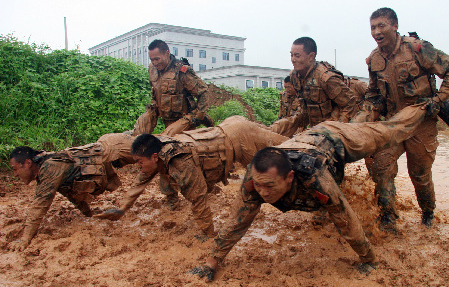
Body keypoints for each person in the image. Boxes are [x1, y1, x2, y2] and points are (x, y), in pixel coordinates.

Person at [190, 102, 433, 281]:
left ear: (290, 178)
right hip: (305, 139)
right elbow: (237, 221)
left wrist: (368, 259)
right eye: (259, 185)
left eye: (270, 187)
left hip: (337, 138)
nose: (262, 192)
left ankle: (426, 106)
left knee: (390, 131)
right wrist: (211, 263)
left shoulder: (312, 176)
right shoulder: (256, 180)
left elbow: (343, 216)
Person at [95, 116, 289, 239]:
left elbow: (198, 198)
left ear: (154, 157)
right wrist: (121, 208)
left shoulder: (179, 161)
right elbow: (140, 181)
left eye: (139, 162)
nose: (138, 167)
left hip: (240, 136)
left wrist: (209, 233)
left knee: (289, 150)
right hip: (229, 128)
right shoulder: (155, 147)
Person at [354, 7, 449, 231]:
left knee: (419, 174)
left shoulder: (417, 49)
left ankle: (428, 215)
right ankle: (387, 218)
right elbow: (374, 93)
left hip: (422, 123)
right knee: (382, 166)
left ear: (394, 26)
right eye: (373, 27)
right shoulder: (374, 59)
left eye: (381, 26)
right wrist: (365, 115)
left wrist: (438, 100)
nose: (376, 31)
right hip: (393, 124)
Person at [8, 133, 136, 251]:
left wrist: (25, 239)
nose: (15, 174)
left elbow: (40, 204)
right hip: (108, 154)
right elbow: (71, 193)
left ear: (28, 163)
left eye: (15, 169)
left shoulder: (49, 167)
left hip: (113, 147)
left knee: (153, 148)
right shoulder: (48, 170)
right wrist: (88, 213)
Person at [267, 37, 359, 137]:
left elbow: (349, 103)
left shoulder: (326, 77)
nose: (293, 60)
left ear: (311, 56)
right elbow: (304, 110)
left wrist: (337, 128)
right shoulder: (295, 76)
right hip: (313, 127)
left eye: (297, 56)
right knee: (279, 126)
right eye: (291, 55)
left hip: (331, 128)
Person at [132, 39, 214, 137]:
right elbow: (155, 92)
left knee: (166, 140)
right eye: (152, 60)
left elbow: (203, 92)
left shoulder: (182, 71)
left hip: (183, 117)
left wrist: (199, 116)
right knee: (136, 134)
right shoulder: (152, 69)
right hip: (162, 113)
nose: (154, 63)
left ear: (167, 53)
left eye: (157, 59)